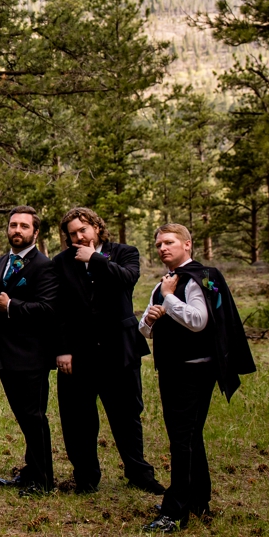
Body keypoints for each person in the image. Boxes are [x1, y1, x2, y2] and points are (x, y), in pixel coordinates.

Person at [139, 224, 254, 533]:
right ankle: (197, 500)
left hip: (191, 371)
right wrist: (149, 318)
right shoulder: (166, 282)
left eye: (170, 242)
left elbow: (199, 321)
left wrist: (168, 299)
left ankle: (174, 511)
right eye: (159, 243)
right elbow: (146, 328)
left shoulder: (198, 278)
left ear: (187, 245)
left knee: (181, 439)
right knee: (191, 436)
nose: (163, 248)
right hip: (174, 369)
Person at [53, 207, 165, 495]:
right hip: (78, 352)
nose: (79, 236)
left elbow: (127, 280)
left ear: (97, 227)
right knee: (78, 418)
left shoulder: (125, 252)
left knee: (127, 413)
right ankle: (86, 477)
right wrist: (63, 349)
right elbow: (60, 309)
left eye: (84, 230)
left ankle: (139, 472)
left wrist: (96, 259)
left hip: (119, 347)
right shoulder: (62, 262)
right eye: (73, 233)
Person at [0, 205, 63, 496]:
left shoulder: (44, 265)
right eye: (12, 225)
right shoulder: (1, 262)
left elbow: (48, 309)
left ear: (35, 231)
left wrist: (11, 306)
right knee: (24, 417)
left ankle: (43, 480)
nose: (16, 230)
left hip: (31, 355)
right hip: (6, 354)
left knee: (34, 417)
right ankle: (30, 470)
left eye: (23, 226)